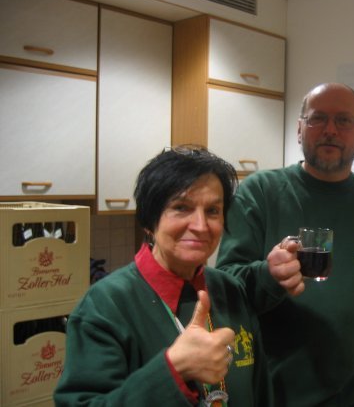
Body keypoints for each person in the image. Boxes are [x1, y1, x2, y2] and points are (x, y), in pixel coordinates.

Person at [216, 83, 354, 406]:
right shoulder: (260, 194)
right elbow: (226, 288)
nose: (330, 130)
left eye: (344, 120)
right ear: (300, 129)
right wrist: (268, 275)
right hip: (270, 396)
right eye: (317, 119)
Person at [54, 145, 272, 406]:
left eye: (213, 211)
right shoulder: (105, 306)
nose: (201, 226)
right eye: (181, 207)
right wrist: (174, 370)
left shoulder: (231, 291)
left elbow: (261, 394)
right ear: (149, 220)